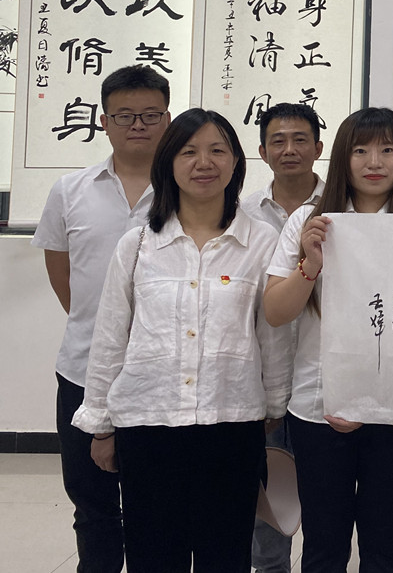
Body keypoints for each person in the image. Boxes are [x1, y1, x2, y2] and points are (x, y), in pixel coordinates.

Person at [71, 109, 288, 572]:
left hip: (231, 422)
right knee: (153, 554)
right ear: (168, 162)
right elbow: (110, 338)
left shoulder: (261, 241)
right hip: (148, 424)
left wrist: (273, 403)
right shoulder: (137, 245)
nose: (203, 163)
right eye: (189, 152)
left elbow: (272, 332)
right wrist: (101, 425)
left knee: (225, 554)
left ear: (235, 162)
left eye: (217, 151)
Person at [263, 107, 393, 572]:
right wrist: (311, 264)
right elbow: (276, 312)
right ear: (343, 156)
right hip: (319, 405)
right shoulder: (310, 221)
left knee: (387, 542)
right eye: (360, 150)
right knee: (324, 542)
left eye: (387, 150)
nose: (374, 162)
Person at [32, 64, 171, 573]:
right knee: (92, 504)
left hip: (163, 375)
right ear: (104, 121)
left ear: (168, 119)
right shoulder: (70, 190)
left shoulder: (192, 191)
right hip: (83, 369)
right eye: (125, 115)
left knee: (157, 503)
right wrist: (105, 330)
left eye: (151, 115)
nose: (138, 125)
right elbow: (62, 274)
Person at [243, 102, 325, 573]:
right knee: (270, 498)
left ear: (318, 147)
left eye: (300, 140)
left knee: (324, 499)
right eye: (278, 140)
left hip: (322, 383)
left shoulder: (340, 208)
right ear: (262, 151)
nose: (289, 149)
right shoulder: (241, 213)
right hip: (265, 378)